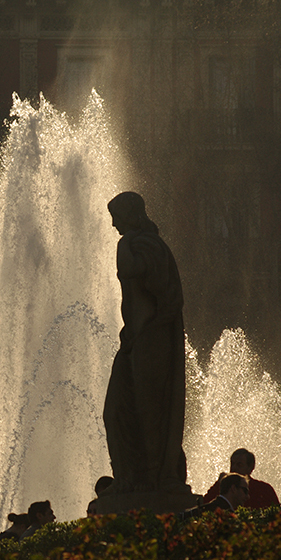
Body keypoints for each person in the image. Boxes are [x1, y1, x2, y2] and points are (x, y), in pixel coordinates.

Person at [101, 191, 190, 494]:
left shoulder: (146, 246)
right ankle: (127, 475)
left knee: (149, 410)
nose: (113, 224)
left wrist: (125, 243)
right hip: (134, 339)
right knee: (116, 409)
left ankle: (154, 479)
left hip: (153, 338)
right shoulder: (138, 244)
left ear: (131, 215)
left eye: (116, 217)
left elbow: (133, 272)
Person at [201, 448, 280, 509]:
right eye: (232, 464)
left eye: (239, 465)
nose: (233, 468)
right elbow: (203, 506)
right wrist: (220, 483)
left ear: (251, 467)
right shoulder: (224, 489)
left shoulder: (264, 490)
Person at [182, 473, 249, 519]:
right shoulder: (225, 515)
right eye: (245, 491)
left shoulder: (203, 509)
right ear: (233, 489)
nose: (248, 496)